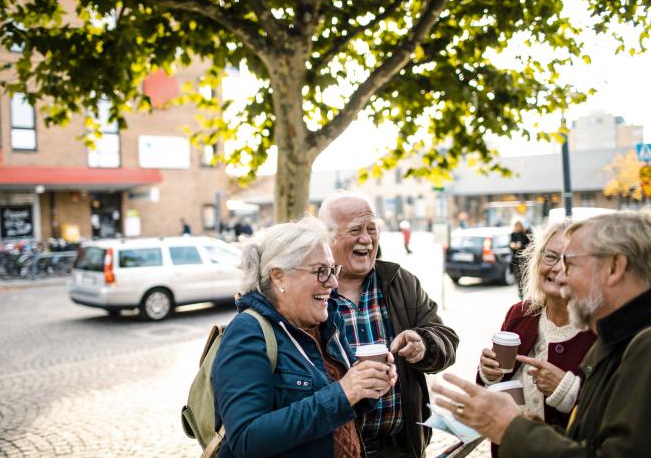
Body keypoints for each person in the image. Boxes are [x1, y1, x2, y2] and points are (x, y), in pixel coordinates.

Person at [432, 210, 651, 458]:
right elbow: (591, 440)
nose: (561, 275)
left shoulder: (642, 343)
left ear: (615, 267)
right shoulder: (617, 335)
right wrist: (524, 425)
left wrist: (510, 427)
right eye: (553, 258)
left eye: (570, 263)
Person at [212, 217, 398, 458]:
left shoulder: (326, 323)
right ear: (279, 276)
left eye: (333, 270)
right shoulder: (248, 332)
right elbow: (247, 439)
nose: (333, 282)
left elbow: (337, 406)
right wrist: (343, 393)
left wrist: (367, 386)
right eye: (321, 271)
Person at [319, 191, 459, 458]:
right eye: (355, 230)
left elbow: (446, 340)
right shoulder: (314, 291)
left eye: (372, 229)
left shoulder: (399, 281)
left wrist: (424, 345)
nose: (367, 238)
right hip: (338, 450)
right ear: (328, 237)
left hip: (401, 447)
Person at [477, 220, 596, 456]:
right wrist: (488, 374)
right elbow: (495, 386)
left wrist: (567, 390)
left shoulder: (598, 329)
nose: (557, 269)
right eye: (551, 256)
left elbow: (611, 414)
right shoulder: (519, 314)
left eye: (570, 261)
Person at [509, 219, 530, 299]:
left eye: (518, 225)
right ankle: (521, 296)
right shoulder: (512, 234)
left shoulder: (525, 234)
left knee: (525, 278)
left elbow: (529, 244)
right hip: (515, 260)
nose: (517, 227)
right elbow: (510, 244)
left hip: (524, 259)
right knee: (518, 279)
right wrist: (513, 245)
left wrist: (522, 246)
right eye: (516, 225)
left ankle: (526, 295)